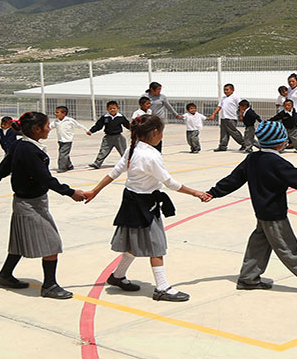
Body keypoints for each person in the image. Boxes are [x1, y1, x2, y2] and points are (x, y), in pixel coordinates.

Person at [84, 114, 212, 302]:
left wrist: (95, 191)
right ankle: (161, 288)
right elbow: (169, 182)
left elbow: (114, 173)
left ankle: (117, 276)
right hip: (145, 204)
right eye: (161, 133)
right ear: (154, 132)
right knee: (157, 245)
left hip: (130, 201)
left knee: (133, 243)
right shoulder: (151, 155)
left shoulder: (133, 149)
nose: (161, 136)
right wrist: (196, 193)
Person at [206, 120, 297, 292]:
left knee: (259, 244)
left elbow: (234, 179)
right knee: (288, 247)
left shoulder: (252, 158)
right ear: (281, 142)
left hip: (261, 211)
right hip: (274, 213)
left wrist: (215, 191)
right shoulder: (277, 162)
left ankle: (248, 278)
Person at [0, 112, 88, 299]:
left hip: (26, 201)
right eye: (47, 126)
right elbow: (45, 178)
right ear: (36, 129)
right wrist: (71, 192)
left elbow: (3, 167)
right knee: (52, 243)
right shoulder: (29, 150)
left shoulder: (21, 145)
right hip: (30, 204)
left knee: (18, 242)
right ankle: (49, 285)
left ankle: (4, 276)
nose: (49, 128)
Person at [87, 101, 130, 169]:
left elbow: (127, 125)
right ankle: (97, 163)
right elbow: (98, 126)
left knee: (123, 151)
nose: (112, 110)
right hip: (108, 138)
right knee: (103, 151)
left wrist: (134, 130)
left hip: (118, 137)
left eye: (114, 108)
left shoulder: (120, 117)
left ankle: (128, 163)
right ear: (107, 109)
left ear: (117, 108)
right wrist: (91, 131)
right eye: (110, 109)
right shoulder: (105, 117)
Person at [207, 83, 245, 152]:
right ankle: (222, 146)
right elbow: (219, 107)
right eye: (224, 90)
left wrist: (241, 115)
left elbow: (241, 107)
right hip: (223, 118)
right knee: (223, 133)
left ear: (232, 90)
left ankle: (244, 143)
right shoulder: (223, 98)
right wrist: (214, 114)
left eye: (227, 90)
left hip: (231, 118)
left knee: (234, 132)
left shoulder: (235, 97)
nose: (225, 91)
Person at [51, 106, 90, 173]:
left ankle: (62, 167)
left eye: (57, 112)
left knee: (62, 154)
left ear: (64, 113)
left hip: (67, 140)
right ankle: (69, 166)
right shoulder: (56, 121)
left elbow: (79, 125)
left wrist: (87, 130)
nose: (55, 114)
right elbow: (49, 127)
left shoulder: (69, 120)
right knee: (64, 154)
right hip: (60, 140)